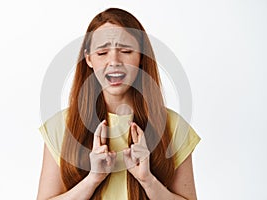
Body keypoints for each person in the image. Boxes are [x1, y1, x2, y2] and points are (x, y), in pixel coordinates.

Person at [37, 8, 200, 200]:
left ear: (141, 57)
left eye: (125, 51)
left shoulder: (173, 126)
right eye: (102, 52)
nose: (114, 61)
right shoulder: (61, 126)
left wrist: (148, 180)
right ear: (88, 59)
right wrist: (93, 179)